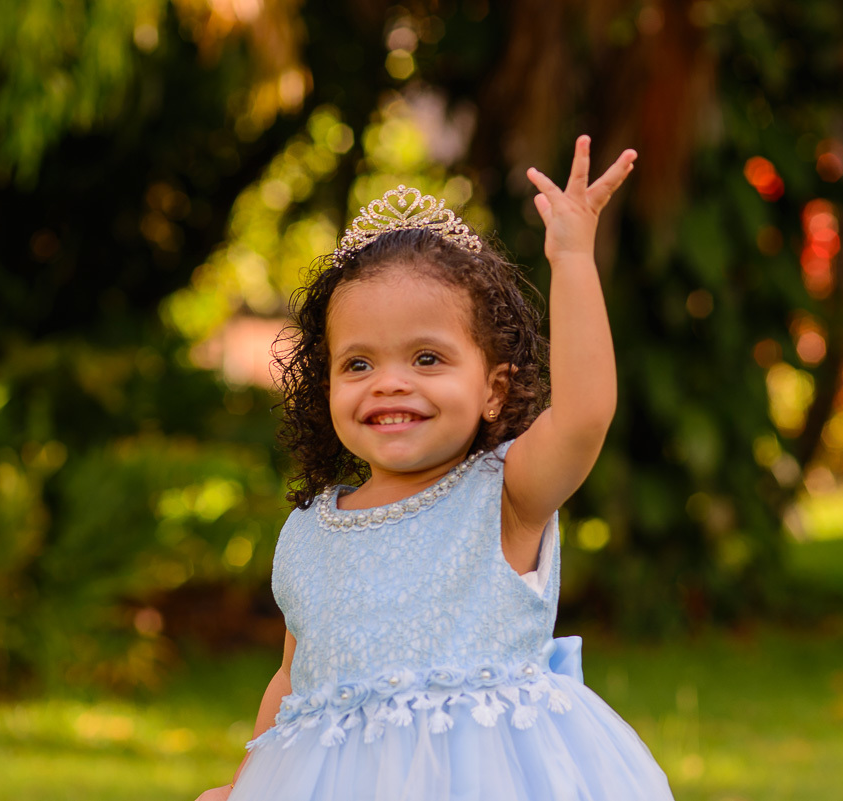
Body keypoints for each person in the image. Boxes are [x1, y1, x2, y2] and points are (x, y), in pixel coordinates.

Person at [197, 136, 675, 800]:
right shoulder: (308, 532)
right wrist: (246, 785)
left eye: (427, 358)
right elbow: (292, 681)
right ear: (324, 387)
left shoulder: (507, 494)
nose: (389, 382)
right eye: (358, 363)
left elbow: (584, 415)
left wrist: (571, 258)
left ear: (494, 389)